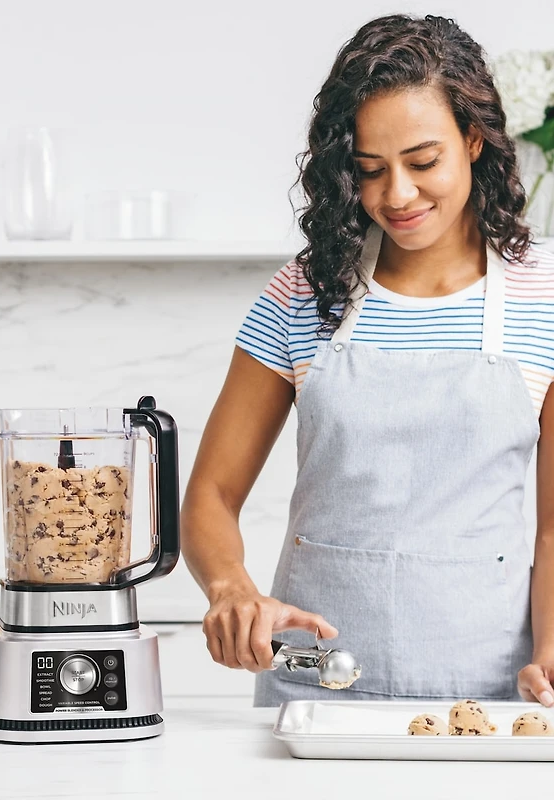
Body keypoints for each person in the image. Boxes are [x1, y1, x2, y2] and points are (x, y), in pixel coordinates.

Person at [181, 13, 554, 706]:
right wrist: (232, 589)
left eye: (422, 162)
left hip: (485, 691)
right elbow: (212, 494)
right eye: (369, 170)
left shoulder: (545, 296)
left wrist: (552, 649)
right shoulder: (303, 291)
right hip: (312, 678)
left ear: (474, 140)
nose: (397, 196)